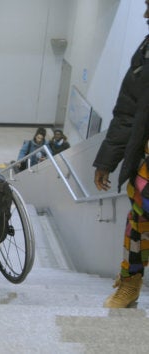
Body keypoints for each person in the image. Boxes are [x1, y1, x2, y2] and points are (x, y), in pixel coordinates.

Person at [92, 1, 149, 308]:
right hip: (146, 161)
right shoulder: (146, 50)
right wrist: (107, 159)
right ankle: (130, 283)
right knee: (138, 221)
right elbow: (128, 109)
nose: (145, 15)